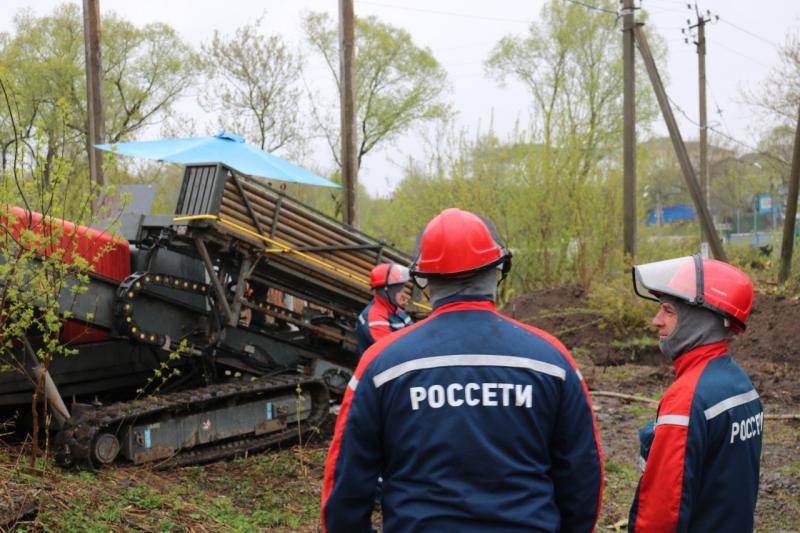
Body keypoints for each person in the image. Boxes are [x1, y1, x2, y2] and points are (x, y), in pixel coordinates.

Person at [322, 208, 603, 532]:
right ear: (498, 269)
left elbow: (345, 489)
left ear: (425, 281)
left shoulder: (381, 365)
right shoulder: (552, 360)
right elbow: (583, 480)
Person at [629, 255, 762, 532]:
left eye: (668, 310)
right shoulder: (740, 383)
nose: (656, 321)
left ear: (698, 319)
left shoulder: (687, 397)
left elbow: (661, 514)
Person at [355, 263, 413, 358]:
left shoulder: (397, 312)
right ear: (386, 291)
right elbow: (392, 354)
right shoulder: (374, 317)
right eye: (399, 289)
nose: (403, 294)